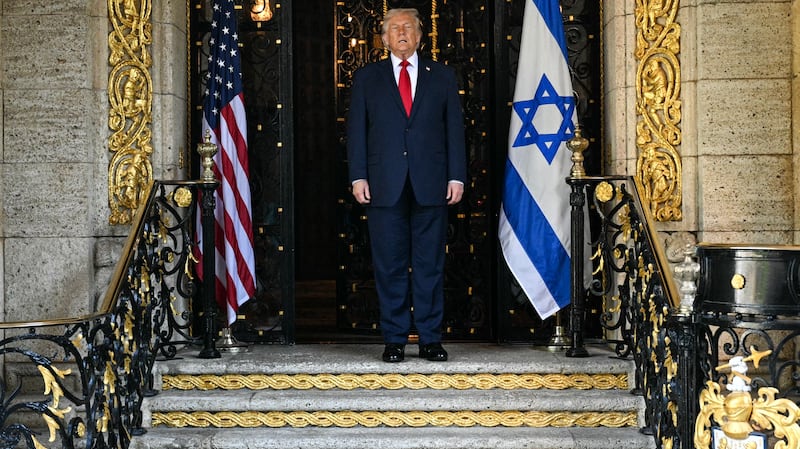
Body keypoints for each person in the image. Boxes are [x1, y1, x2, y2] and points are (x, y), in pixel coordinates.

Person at [346, 8, 467, 363]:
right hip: (383, 184)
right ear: (383, 39)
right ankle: (395, 339)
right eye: (394, 28)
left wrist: (456, 175)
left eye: (408, 27)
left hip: (432, 183)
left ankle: (430, 339)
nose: (401, 33)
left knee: (429, 264)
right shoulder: (367, 78)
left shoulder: (442, 76)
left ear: (420, 35)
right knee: (390, 264)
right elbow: (356, 132)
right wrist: (358, 176)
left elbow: (454, 131)